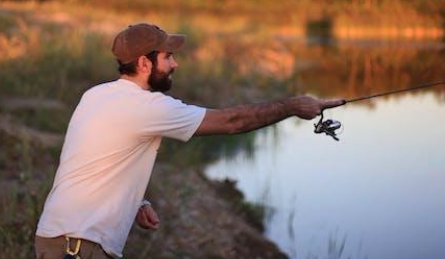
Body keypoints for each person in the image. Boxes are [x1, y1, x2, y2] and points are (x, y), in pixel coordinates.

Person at [35, 23, 345, 259]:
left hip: (59, 237)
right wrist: (292, 106)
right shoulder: (145, 106)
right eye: (168, 57)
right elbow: (232, 121)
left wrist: (135, 200)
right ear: (144, 63)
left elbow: (95, 157)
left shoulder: (97, 94)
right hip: (77, 246)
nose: (175, 64)